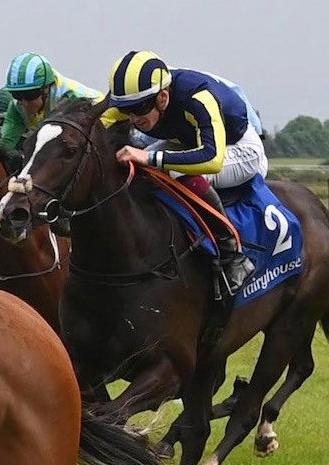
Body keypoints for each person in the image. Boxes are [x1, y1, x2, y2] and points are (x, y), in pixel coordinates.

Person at [102, 50, 261, 295]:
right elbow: (91, 121)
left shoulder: (198, 98)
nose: (133, 117)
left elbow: (211, 159)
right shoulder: (140, 95)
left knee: (174, 172)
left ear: (163, 97)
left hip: (238, 150)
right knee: (131, 167)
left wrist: (151, 157)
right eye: (127, 109)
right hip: (187, 142)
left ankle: (232, 254)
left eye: (140, 108)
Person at [0, 52, 100, 170]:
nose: (24, 103)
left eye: (30, 95)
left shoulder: (70, 98)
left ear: (46, 89)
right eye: (17, 95)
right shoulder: (17, 105)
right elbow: (5, 145)